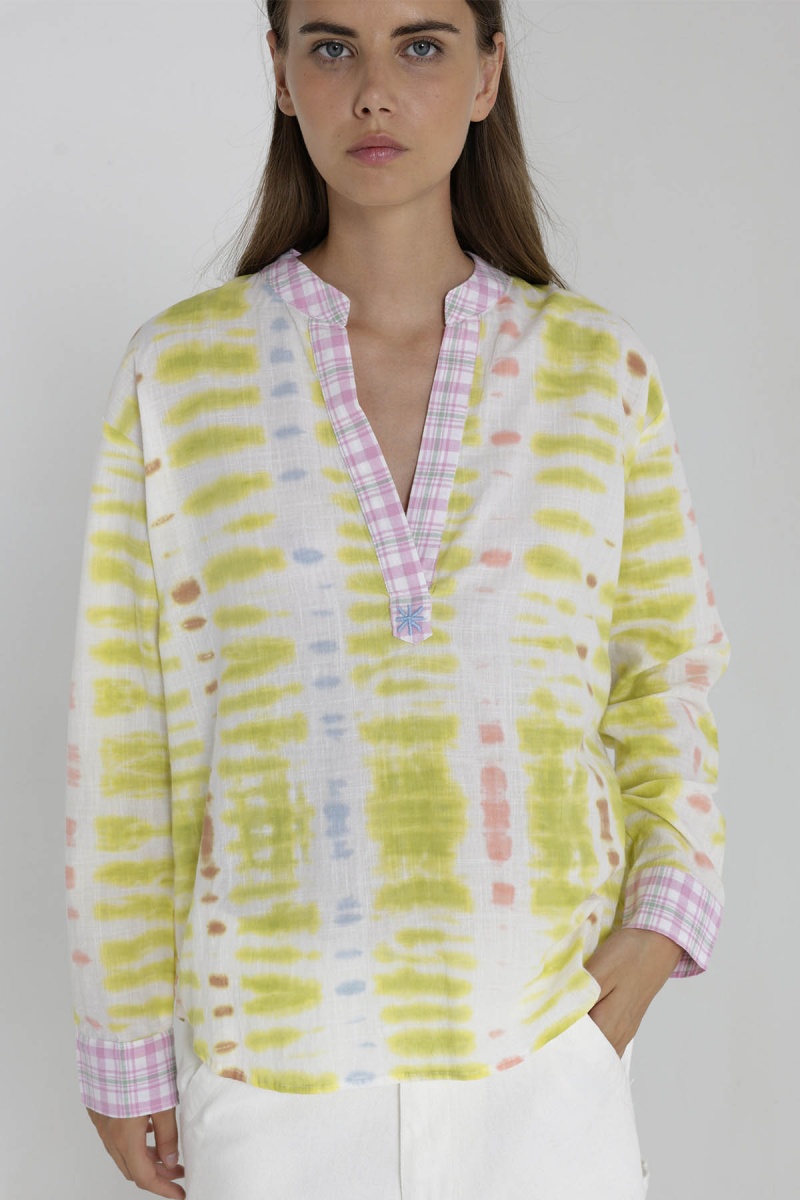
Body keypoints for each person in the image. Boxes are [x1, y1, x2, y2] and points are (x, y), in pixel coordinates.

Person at [64, 2, 731, 1197]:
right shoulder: (177, 376)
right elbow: (124, 733)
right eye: (331, 46)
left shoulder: (596, 373)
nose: (373, 90)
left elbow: (665, 676)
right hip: (273, 1077)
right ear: (280, 73)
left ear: (486, 74)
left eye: (420, 44)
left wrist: (655, 932)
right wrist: (125, 1049)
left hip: (546, 1059)